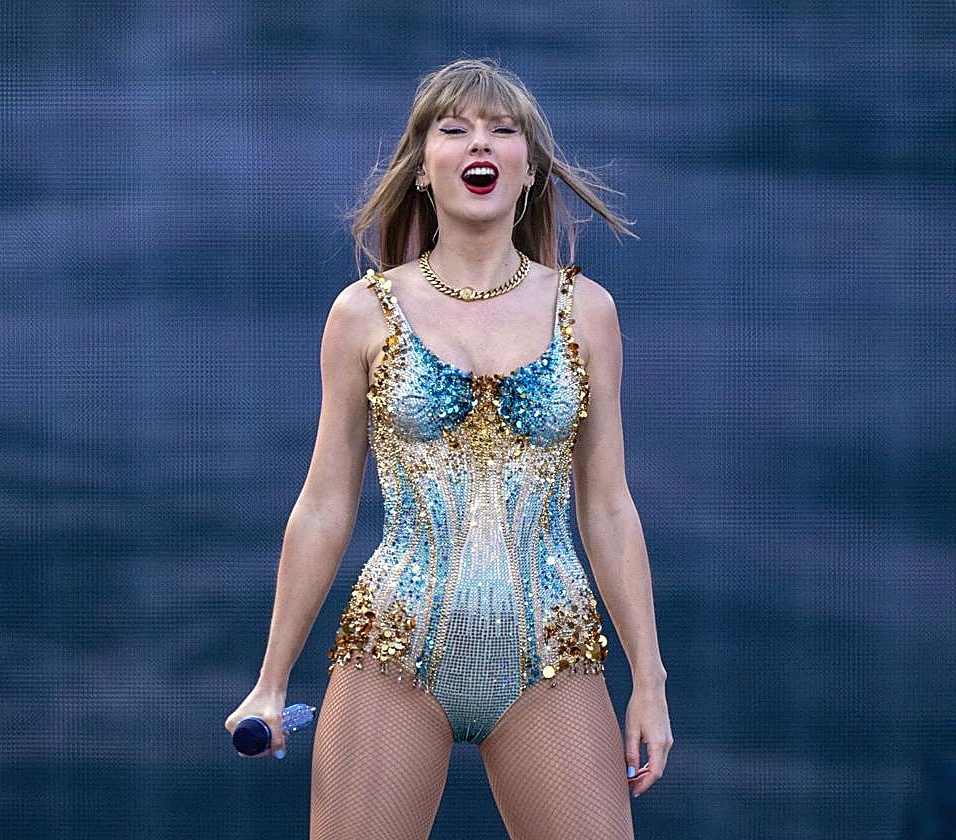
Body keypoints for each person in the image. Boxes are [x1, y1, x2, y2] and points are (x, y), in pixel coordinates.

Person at [225, 58, 673, 839]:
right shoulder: (364, 313)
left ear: (529, 170)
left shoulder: (587, 311)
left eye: (503, 131)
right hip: (392, 653)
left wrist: (651, 681)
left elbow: (607, 507)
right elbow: (324, 504)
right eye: (456, 128)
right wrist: (271, 679)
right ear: (422, 167)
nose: (481, 144)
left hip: (551, 655)